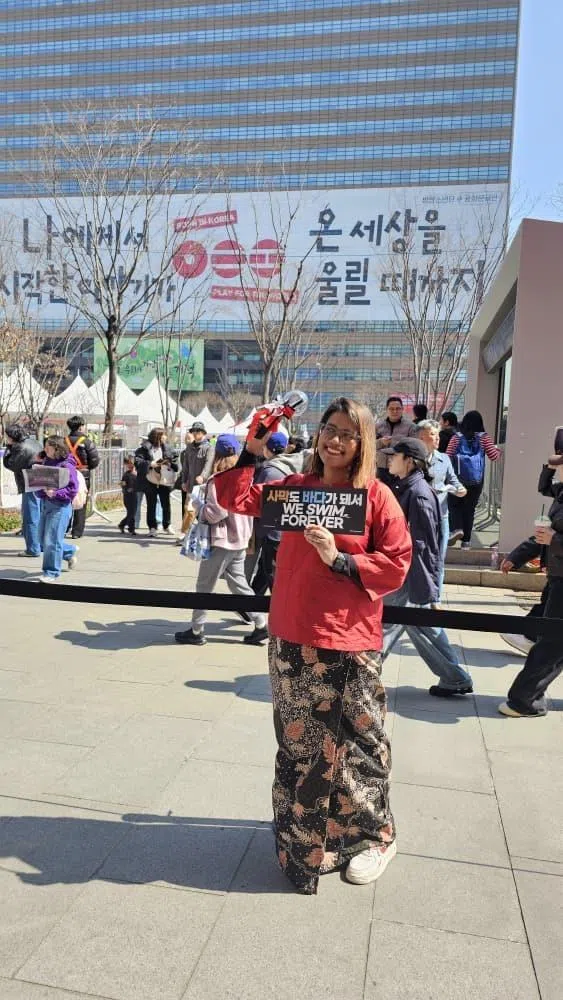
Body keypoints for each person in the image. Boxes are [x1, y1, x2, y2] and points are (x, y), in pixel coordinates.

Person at [213, 397, 412, 895]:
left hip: (348, 638)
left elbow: (397, 563)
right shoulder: (295, 491)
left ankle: (373, 836)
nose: (335, 439)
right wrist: (253, 446)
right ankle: (307, 841)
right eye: (329, 428)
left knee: (359, 741)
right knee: (300, 742)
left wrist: (340, 558)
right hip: (291, 634)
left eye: (347, 432)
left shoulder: (376, 498)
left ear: (363, 442)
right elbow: (236, 498)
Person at [382, 439, 474, 697]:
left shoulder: (418, 493)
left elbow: (422, 545)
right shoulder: (409, 487)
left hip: (409, 572)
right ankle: (455, 678)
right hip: (410, 572)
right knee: (422, 627)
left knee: (387, 623)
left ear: (409, 461)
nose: (389, 459)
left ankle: (363, 675)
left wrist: (417, 578)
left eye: (394, 455)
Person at [175, 434, 269, 647]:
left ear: (216, 454)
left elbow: (216, 513)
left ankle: (197, 630)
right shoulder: (244, 476)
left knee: (204, 586)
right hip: (240, 539)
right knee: (240, 585)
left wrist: (198, 506)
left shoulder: (220, 480)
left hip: (222, 540)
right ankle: (260, 624)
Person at [498, 477, 563, 718]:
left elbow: (550, 536)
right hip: (557, 577)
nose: (555, 470)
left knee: (551, 644)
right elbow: (543, 533)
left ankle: (524, 699)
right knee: (551, 642)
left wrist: (555, 540)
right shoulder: (561, 493)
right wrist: (517, 556)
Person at [417, 419, 466, 602]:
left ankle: (435, 597)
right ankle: (419, 592)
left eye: (438, 435)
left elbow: (454, 482)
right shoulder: (413, 459)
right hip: (419, 515)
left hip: (441, 515)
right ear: (421, 437)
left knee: (439, 558)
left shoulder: (444, 459)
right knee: (419, 556)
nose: (437, 438)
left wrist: (459, 489)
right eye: (432, 435)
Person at [446, 410, 500, 548]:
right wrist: (497, 450)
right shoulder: (484, 438)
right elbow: (494, 456)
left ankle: (456, 529)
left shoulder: (457, 437)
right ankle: (467, 541)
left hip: (457, 478)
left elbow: (448, 455)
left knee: (454, 505)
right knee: (470, 509)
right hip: (476, 480)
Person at [252, 431, 294, 596]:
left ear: (267, 449)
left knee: (271, 573)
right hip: (286, 528)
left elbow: (257, 500)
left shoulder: (270, 472)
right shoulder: (289, 466)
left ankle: (280, 610)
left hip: (272, 531)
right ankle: (250, 603)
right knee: (265, 569)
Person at [36, 436, 79, 583]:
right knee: (41, 540)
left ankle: (51, 572)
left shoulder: (67, 465)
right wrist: (39, 488)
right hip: (46, 504)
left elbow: (73, 490)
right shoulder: (47, 461)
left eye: (48, 446)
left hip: (60, 507)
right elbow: (42, 484)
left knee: (52, 540)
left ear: (57, 448)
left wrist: (56, 493)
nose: (45, 449)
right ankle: (68, 551)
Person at [3, 424, 42, 558]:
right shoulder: (33, 441)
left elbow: (11, 464)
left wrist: (8, 449)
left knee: (30, 517)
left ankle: (32, 548)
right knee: (40, 515)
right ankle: (40, 544)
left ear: (11, 437)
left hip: (29, 482)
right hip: (41, 480)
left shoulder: (19, 447)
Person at [134, 428, 178, 537]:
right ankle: (152, 527)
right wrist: (150, 463)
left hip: (164, 479)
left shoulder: (168, 448)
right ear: (157, 436)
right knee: (151, 504)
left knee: (166, 504)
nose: (165, 437)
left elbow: (176, 462)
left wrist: (170, 464)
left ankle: (167, 525)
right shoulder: (144, 449)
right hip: (150, 479)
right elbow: (138, 462)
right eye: (163, 435)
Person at [64, 415, 99, 539]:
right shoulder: (87, 441)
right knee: (81, 501)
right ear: (80, 426)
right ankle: (77, 532)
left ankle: (64, 528)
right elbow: (94, 461)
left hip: (66, 473)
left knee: (65, 500)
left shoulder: (64, 441)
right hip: (83, 474)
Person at [375, 396, 418, 486]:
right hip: (380, 469)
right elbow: (369, 446)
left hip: (400, 470)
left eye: (398, 408)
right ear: (387, 409)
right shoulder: (378, 426)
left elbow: (414, 448)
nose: (395, 411)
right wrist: (381, 442)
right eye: (391, 409)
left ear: (402, 409)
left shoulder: (411, 427)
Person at [118, 455, 137, 535]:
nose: (130, 465)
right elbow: (122, 484)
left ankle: (126, 526)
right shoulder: (126, 475)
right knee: (131, 512)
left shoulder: (137, 473)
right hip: (128, 496)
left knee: (133, 512)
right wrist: (125, 488)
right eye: (128, 464)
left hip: (134, 495)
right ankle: (127, 527)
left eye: (131, 463)